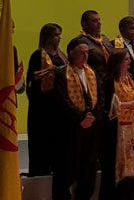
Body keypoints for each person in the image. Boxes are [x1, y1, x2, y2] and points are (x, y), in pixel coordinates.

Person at [53, 37, 103, 200]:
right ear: (71, 54)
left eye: (87, 53)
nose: (85, 56)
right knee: (67, 166)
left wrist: (93, 116)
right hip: (71, 127)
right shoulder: (62, 73)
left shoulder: (92, 72)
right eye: (82, 53)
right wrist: (80, 117)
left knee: (88, 166)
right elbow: (62, 100)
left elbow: (100, 97)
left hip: (91, 126)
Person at [26, 23, 67, 176]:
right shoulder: (38, 55)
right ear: (48, 37)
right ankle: (41, 167)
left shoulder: (62, 55)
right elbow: (32, 76)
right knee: (42, 137)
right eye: (56, 34)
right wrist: (46, 72)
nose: (59, 37)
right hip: (43, 103)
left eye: (59, 34)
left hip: (59, 101)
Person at [104, 50, 134, 189]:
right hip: (118, 127)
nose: (129, 62)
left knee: (132, 161)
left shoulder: (130, 77)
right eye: (126, 59)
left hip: (132, 124)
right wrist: (129, 105)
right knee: (120, 163)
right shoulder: (110, 81)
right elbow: (109, 105)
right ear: (118, 62)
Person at [78, 10, 114, 80]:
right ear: (84, 24)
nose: (99, 23)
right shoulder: (80, 42)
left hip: (111, 79)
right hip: (94, 80)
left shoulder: (105, 39)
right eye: (95, 21)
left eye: (99, 20)